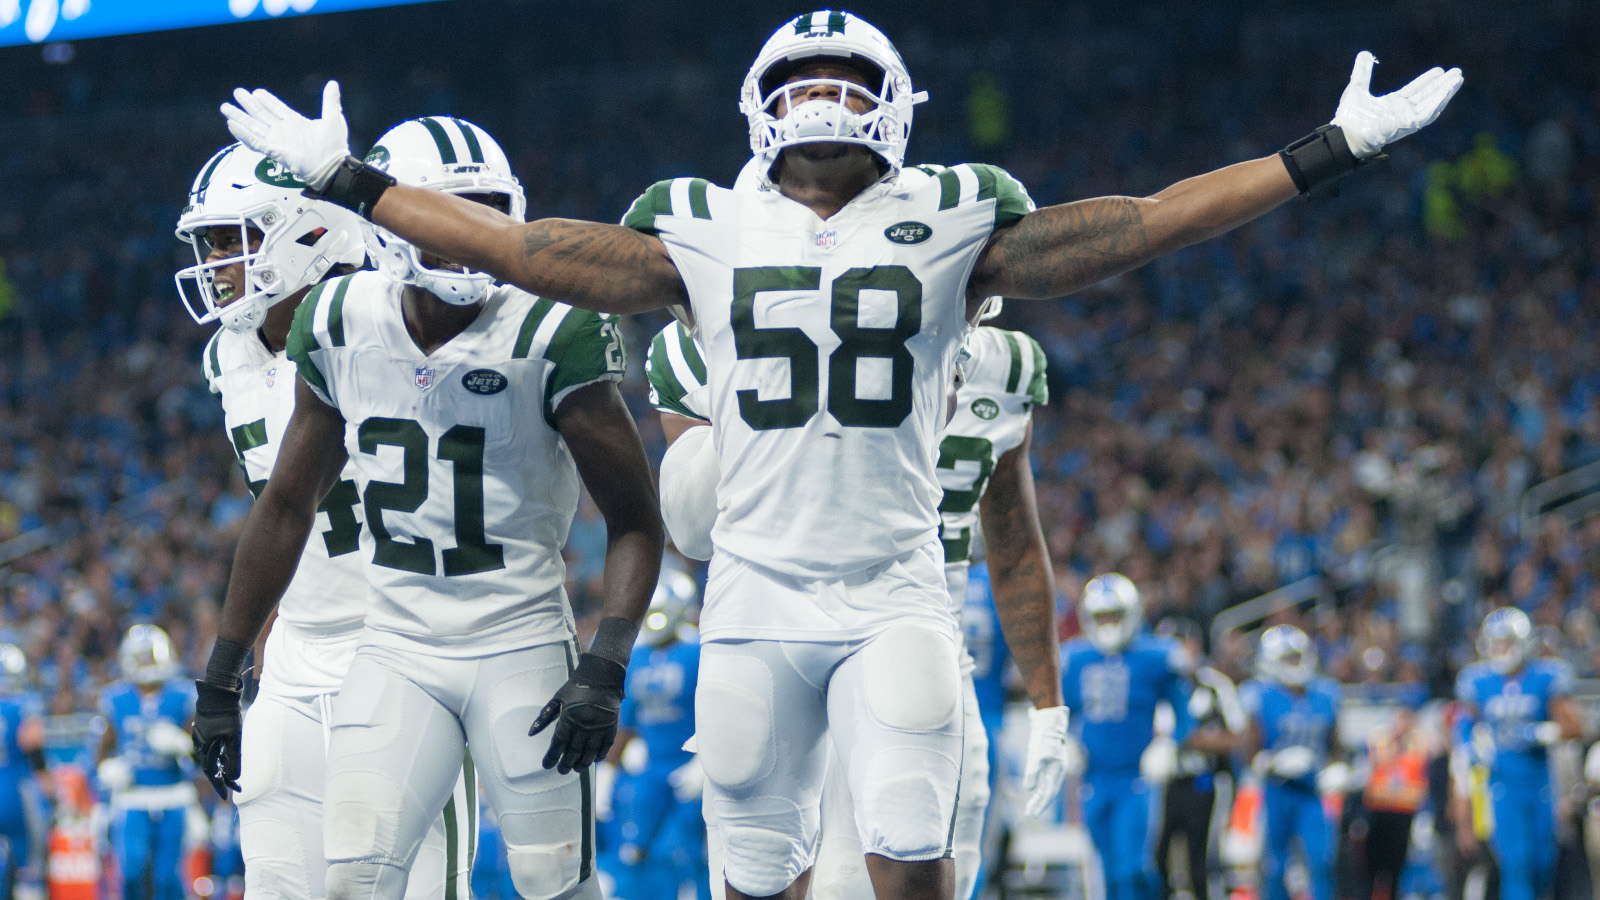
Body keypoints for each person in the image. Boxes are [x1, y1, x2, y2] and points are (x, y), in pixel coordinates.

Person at [220, 12, 1460, 896]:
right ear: (758, 104)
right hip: (752, 600)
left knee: (908, 845)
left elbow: (1134, 229)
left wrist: (1325, 151)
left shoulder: (956, 214)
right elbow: (520, 251)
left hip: (891, 595)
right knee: (757, 867)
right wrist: (350, 180)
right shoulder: (701, 225)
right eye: (801, 73)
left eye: (846, 75)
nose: (822, 94)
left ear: (896, 106)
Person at [187, 117, 664, 900]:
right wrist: (222, 674)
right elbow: (283, 507)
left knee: (552, 878)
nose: (466, 237)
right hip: (376, 645)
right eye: (445, 214)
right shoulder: (339, 323)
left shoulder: (550, 327)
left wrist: (607, 660)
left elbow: (636, 519)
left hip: (508, 634)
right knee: (330, 882)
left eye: (482, 213)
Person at [644, 293, 1064, 900]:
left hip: (923, 659)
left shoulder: (1004, 367)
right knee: (762, 876)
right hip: (773, 648)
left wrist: (1049, 705)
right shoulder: (710, 341)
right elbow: (692, 526)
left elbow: (1016, 546)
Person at [174, 139, 475, 900]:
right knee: (277, 880)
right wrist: (233, 674)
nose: (216, 264)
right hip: (300, 656)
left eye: (230, 240)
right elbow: (281, 523)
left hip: (409, 648)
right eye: (209, 244)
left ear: (303, 230)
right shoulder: (228, 356)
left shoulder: (394, 315)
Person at [1060, 575, 1194, 900]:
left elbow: (1185, 712)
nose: (1108, 624)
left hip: (1136, 776)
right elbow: (1059, 711)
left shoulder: (1155, 655)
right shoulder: (1075, 658)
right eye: (1101, 616)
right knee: (1104, 868)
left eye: (1115, 615)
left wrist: (1168, 744)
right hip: (1095, 776)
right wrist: (1065, 742)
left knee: (1132, 868)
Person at [1455, 607, 1585, 900]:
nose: (1500, 649)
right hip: (1503, 786)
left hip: (1540, 785)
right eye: (1495, 642)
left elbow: (1575, 726)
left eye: (1506, 641)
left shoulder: (1545, 675)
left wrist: (1541, 733)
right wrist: (1469, 746)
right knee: (1517, 864)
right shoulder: (1478, 680)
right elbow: (1464, 723)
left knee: (1542, 866)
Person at [599, 570, 708, 900]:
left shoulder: (698, 651)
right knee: (634, 845)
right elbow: (628, 721)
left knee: (688, 852)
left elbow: (718, 712)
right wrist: (607, 769)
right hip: (652, 768)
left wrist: (706, 760)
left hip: (693, 766)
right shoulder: (640, 658)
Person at [1242, 624, 1345, 900]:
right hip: (1276, 790)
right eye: (1287, 657)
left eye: (1297, 656)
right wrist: (1271, 762)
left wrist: (1335, 769)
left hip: (1312, 792)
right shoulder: (1260, 695)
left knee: (1322, 861)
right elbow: (1248, 753)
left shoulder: (1325, 694)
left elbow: (1337, 746)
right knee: (1274, 867)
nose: (1294, 663)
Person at [98, 626, 195, 900]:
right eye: (142, 658)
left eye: (151, 657)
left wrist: (184, 745)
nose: (147, 664)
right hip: (133, 797)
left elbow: (202, 756)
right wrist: (107, 770)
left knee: (168, 878)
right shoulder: (115, 697)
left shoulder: (182, 694)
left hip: (172, 794)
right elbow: (102, 749)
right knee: (130, 873)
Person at [1153, 618, 1244, 900]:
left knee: (1202, 861)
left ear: (1192, 646)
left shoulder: (1214, 686)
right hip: (1159, 784)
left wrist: (1190, 737)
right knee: (1154, 860)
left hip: (1202, 783)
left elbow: (1236, 739)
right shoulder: (1153, 683)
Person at [0, 644, 48, 900]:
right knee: (29, 867)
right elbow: (32, 744)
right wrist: (52, 792)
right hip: (17, 791)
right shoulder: (24, 704)